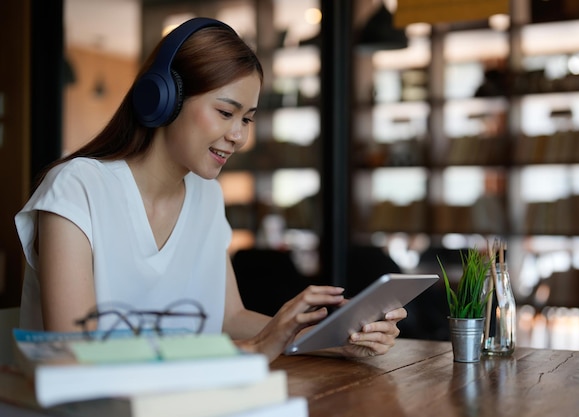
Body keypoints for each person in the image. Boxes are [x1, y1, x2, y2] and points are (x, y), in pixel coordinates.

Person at [14, 17, 406, 362]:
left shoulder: (205, 196)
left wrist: (334, 339)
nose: (238, 136)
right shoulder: (77, 187)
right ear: (163, 98)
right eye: (225, 112)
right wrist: (253, 348)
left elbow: (228, 317)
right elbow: (75, 348)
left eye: (247, 119)